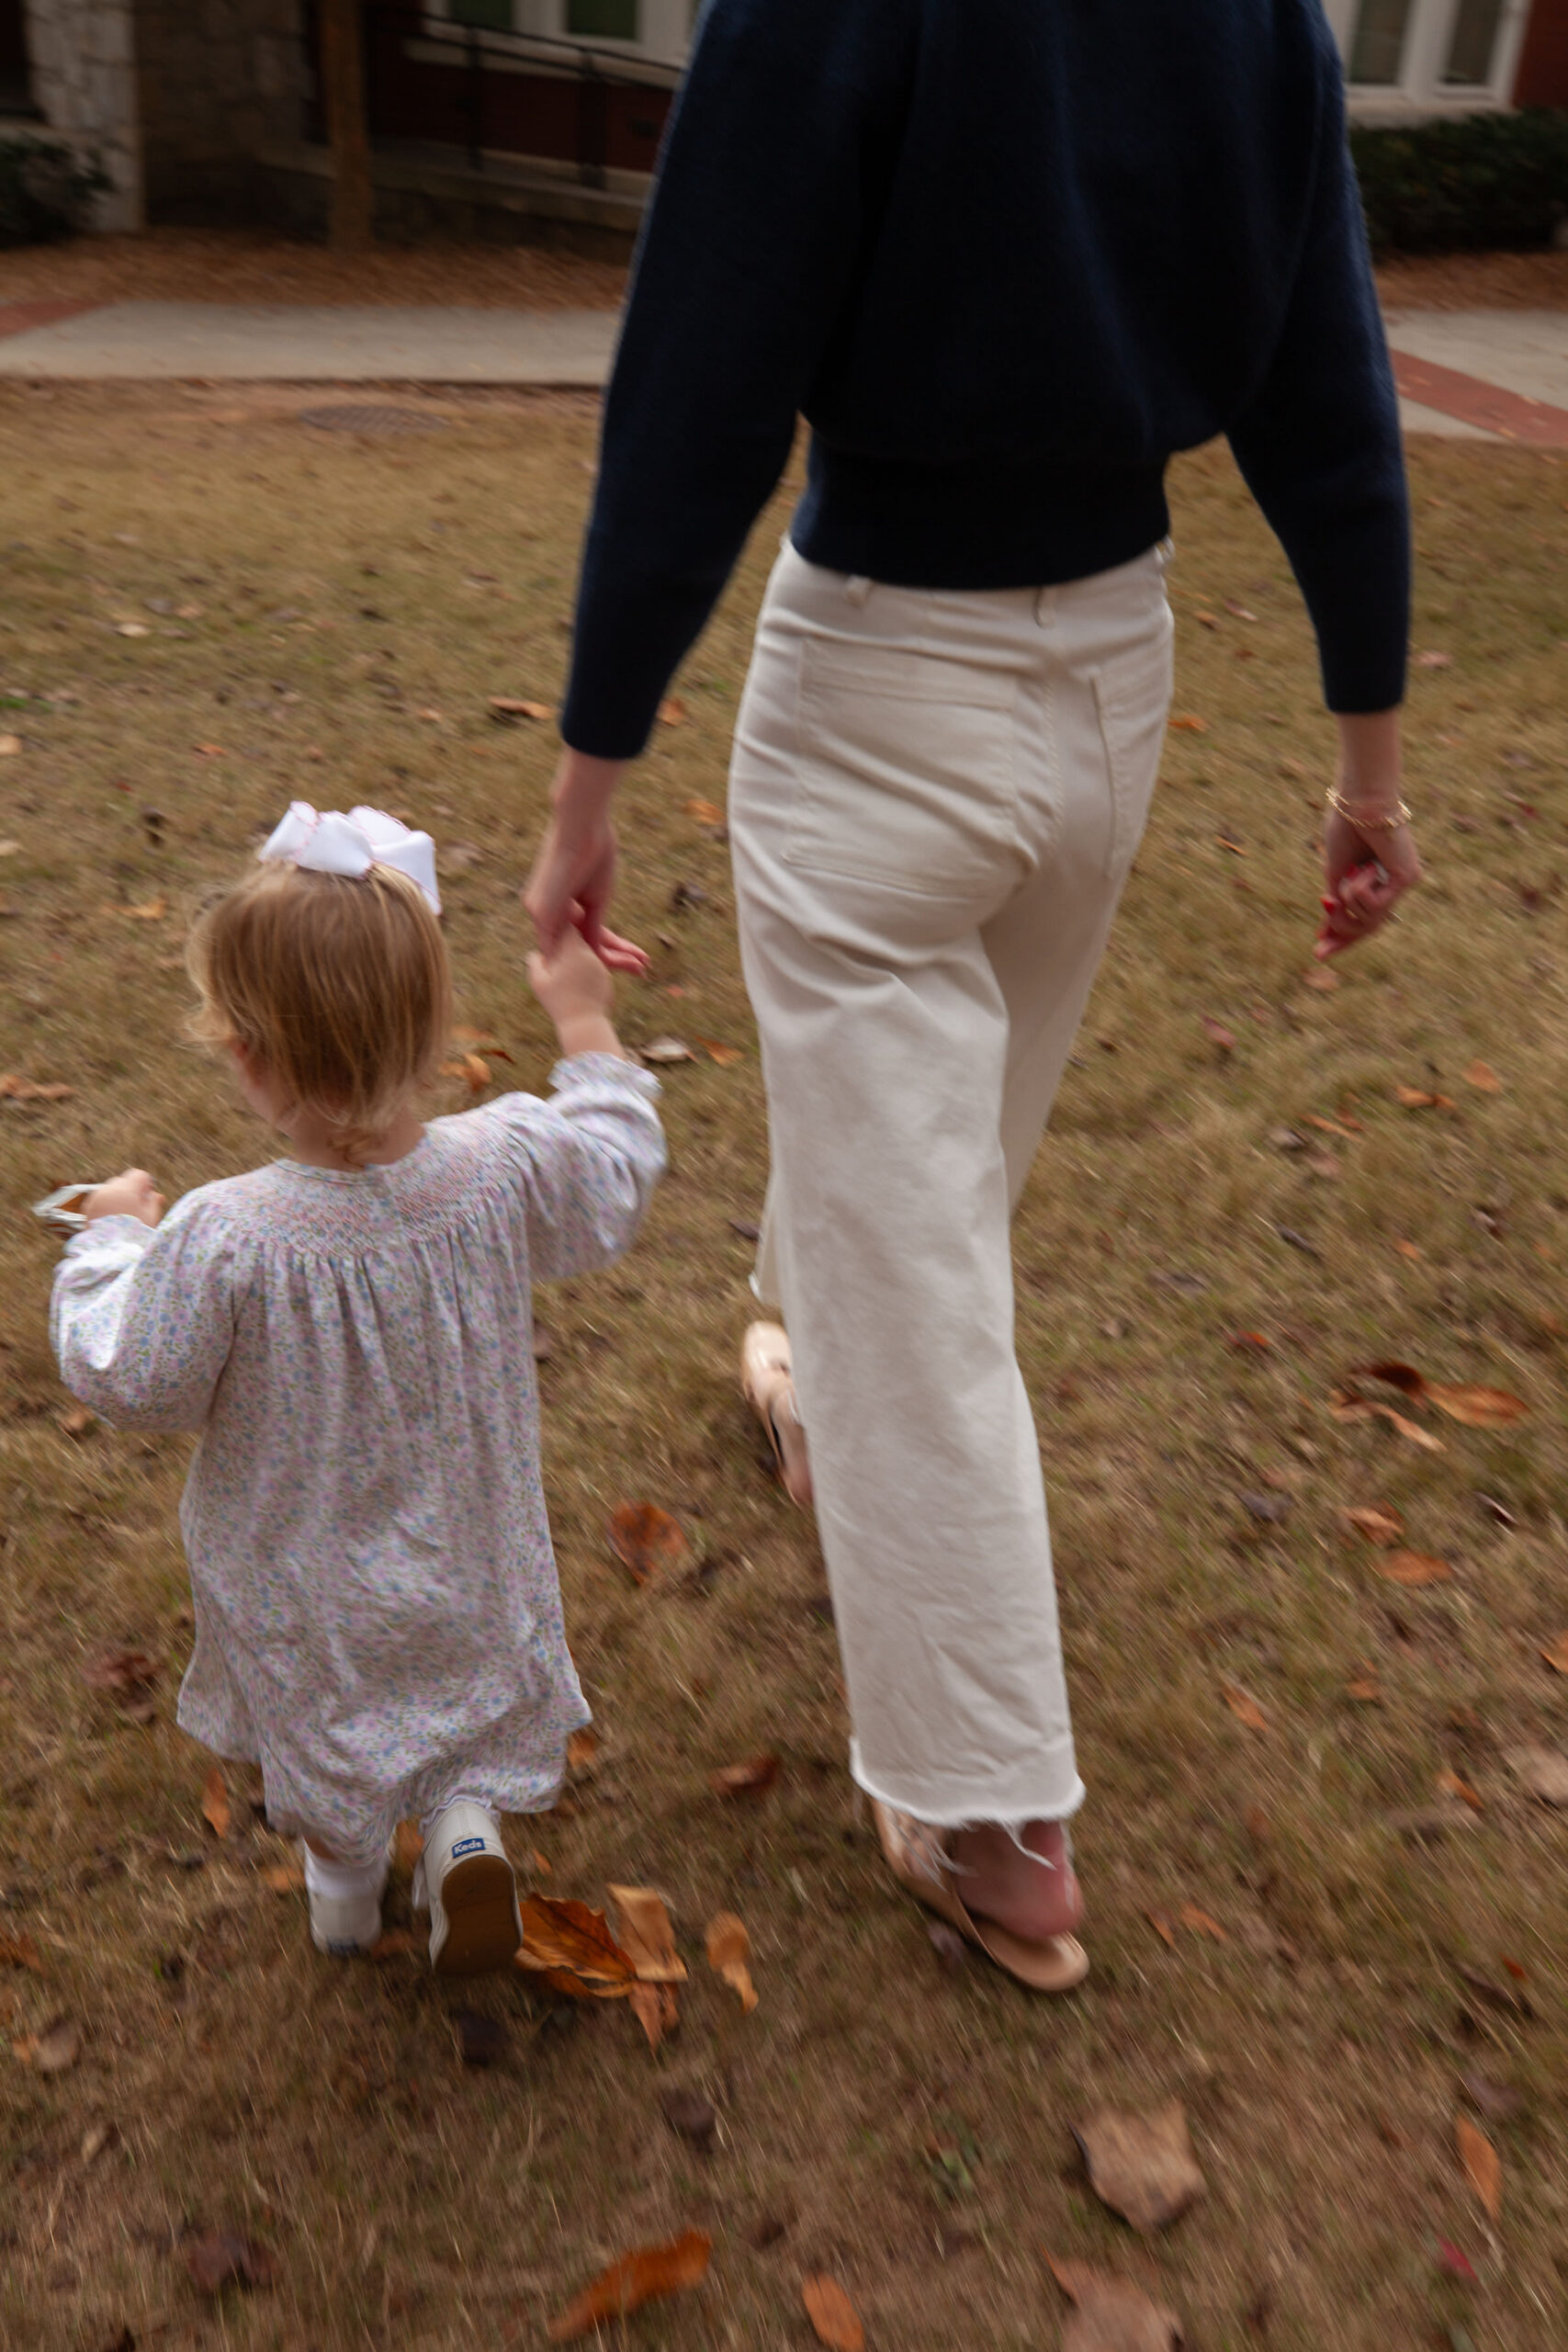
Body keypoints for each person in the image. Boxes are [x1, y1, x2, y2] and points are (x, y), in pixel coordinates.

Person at [526, 1, 1421, 1988]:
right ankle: (814, 1394)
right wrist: (1366, 768)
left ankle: (990, 1808)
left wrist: (583, 797)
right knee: (928, 1179)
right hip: (1111, 690)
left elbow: (696, 390)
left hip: (879, 691)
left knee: (918, 1244)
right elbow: (1331, 391)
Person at [51, 804, 663, 1973]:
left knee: (331, 1725)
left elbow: (132, 1370)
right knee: (461, 1695)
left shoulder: (225, 1237)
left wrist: (108, 1240)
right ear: (435, 1024)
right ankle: (465, 1836)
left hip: (308, 1584)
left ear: (245, 1053)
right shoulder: (501, 1166)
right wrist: (584, 1022)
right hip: (471, 1550)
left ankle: (342, 1899)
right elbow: (611, 1178)